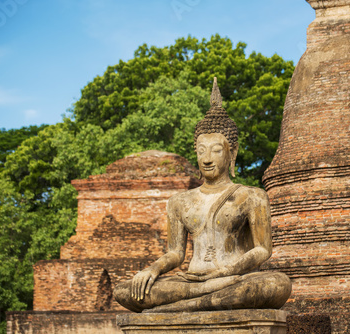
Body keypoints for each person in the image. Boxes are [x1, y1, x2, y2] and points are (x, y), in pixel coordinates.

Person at [114, 78, 291, 313]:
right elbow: (176, 254)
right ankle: (200, 298)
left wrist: (227, 272)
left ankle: (183, 305)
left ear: (232, 152)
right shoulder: (179, 202)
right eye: (201, 151)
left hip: (233, 277)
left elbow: (262, 250)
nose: (207, 158)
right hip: (192, 281)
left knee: (275, 285)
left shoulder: (251, 196)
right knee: (125, 291)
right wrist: (153, 269)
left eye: (216, 150)